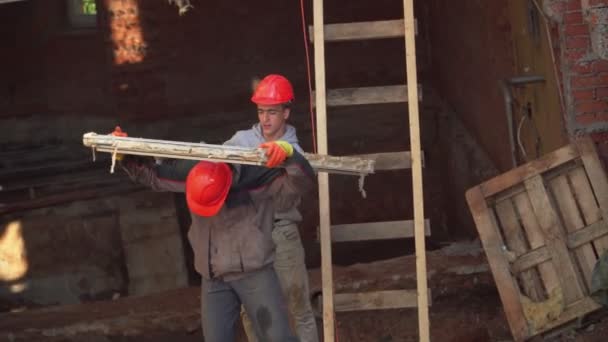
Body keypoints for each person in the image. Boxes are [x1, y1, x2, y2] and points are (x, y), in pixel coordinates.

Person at [116, 127, 315, 342]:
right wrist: (125, 155)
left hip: (254, 271)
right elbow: (152, 176)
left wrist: (290, 155)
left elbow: (301, 183)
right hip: (214, 278)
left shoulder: (256, 177)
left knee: (278, 338)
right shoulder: (189, 173)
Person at [224, 74, 319, 342]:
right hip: (249, 234)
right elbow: (215, 160)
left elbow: (302, 172)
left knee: (298, 307)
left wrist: (287, 152)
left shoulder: (295, 148)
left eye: (272, 112)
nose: (265, 119)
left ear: (286, 112)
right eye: (261, 111)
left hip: (281, 232)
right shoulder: (241, 140)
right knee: (250, 311)